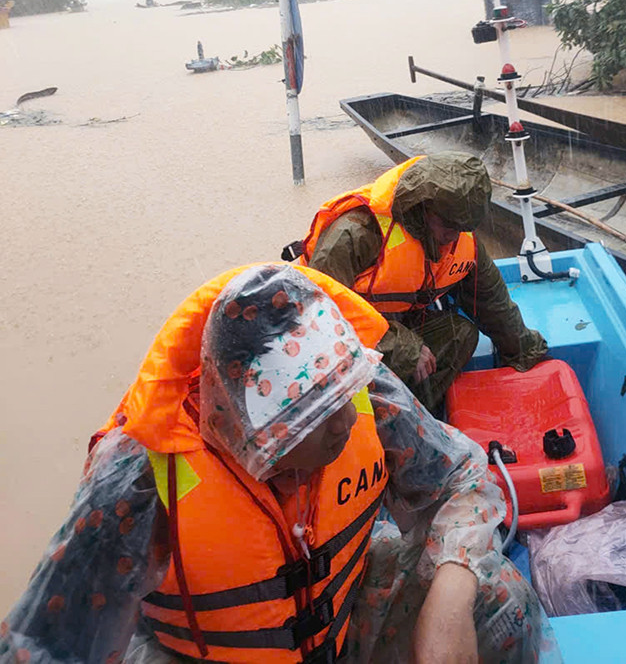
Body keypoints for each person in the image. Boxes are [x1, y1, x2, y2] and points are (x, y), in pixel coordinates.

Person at [0, 263, 550, 664]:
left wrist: (450, 593)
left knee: (496, 596)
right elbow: (46, 644)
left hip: (343, 624)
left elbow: (462, 476)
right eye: (312, 416)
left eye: (344, 395)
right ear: (246, 431)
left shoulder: (360, 387)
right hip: (214, 653)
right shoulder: (139, 475)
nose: (344, 421)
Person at [294, 152, 548, 415]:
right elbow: (318, 318)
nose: (453, 235)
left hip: (402, 322)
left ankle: (411, 417)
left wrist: (527, 352)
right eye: (447, 224)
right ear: (423, 206)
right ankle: (370, 421)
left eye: (461, 227)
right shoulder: (356, 232)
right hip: (349, 342)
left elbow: (493, 302)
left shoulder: (461, 241)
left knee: (460, 334)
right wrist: (399, 347)